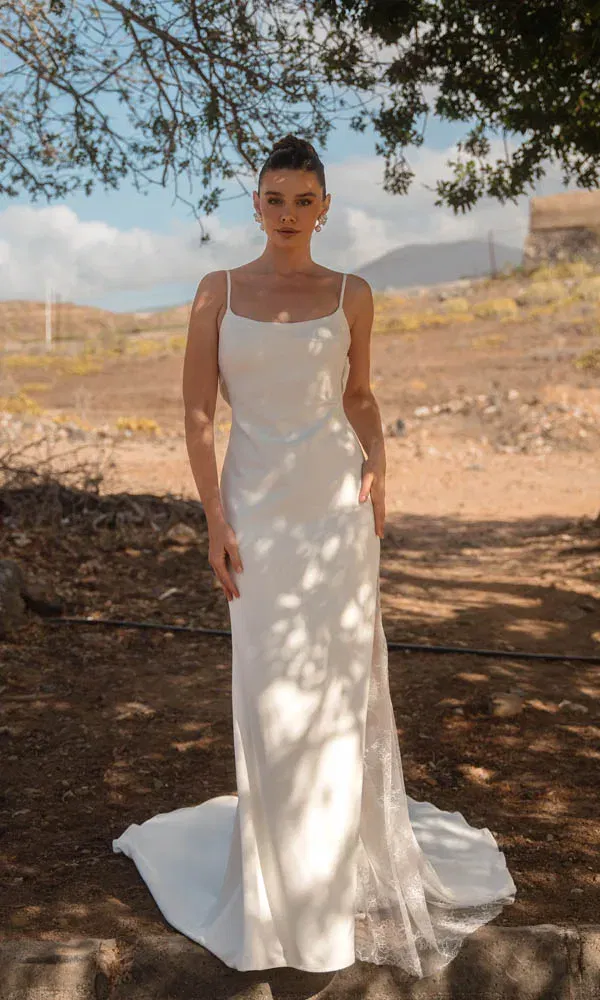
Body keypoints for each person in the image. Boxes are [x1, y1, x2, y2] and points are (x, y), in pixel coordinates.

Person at [112, 134, 517, 976]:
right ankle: (274, 896)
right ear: (254, 204)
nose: (289, 214)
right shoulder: (214, 293)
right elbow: (196, 417)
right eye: (274, 199)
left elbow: (360, 397)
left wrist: (383, 466)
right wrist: (213, 519)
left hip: (336, 512)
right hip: (256, 514)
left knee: (335, 696)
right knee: (269, 696)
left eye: (304, 200)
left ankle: (326, 889)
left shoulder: (353, 294)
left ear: (326, 208)